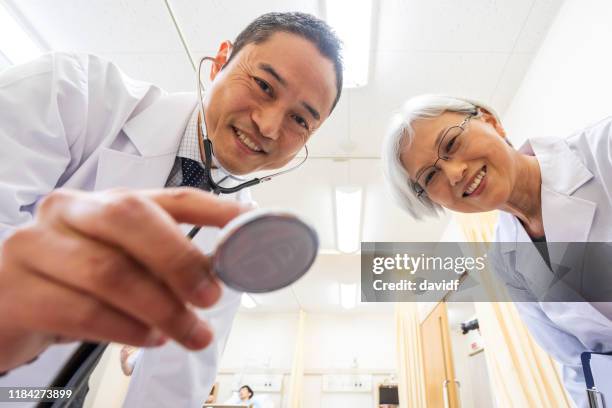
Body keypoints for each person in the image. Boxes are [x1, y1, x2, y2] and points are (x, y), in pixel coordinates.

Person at [0, 11, 342, 408]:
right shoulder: (71, 93)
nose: (268, 126)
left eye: (299, 119)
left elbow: (178, 378)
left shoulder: (240, 235)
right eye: (264, 85)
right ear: (218, 63)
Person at [382, 94, 612, 407]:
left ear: (490, 121)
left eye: (450, 144)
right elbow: (577, 364)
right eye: (431, 176)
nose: (453, 174)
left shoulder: (603, 152)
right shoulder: (505, 260)